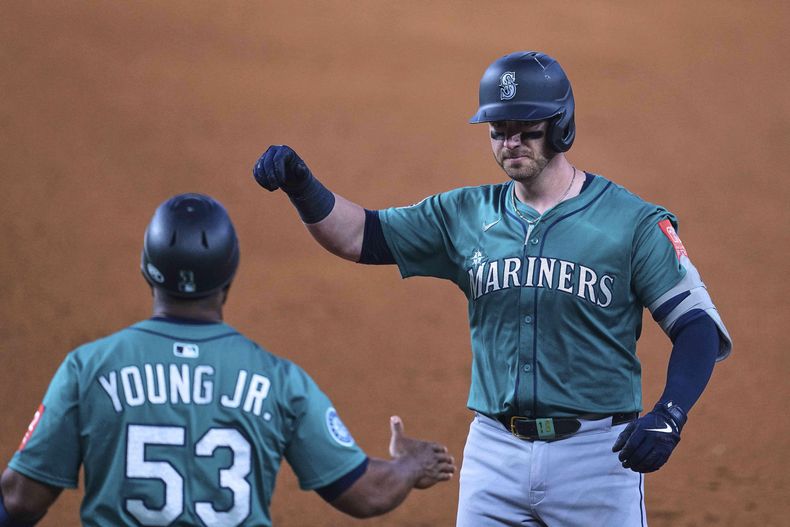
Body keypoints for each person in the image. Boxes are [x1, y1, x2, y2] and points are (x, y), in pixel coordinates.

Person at [251, 50, 733, 526]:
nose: (511, 144)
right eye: (499, 132)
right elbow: (360, 235)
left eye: (528, 131)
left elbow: (696, 326)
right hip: (494, 453)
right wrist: (303, 187)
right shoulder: (465, 215)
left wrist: (670, 412)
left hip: (598, 458)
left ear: (562, 127)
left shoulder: (632, 223)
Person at [0, 193, 455, 527]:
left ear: (146, 268)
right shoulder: (279, 382)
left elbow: (20, 499)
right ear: (230, 273)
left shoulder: (88, 369)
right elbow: (366, 495)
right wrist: (410, 466)